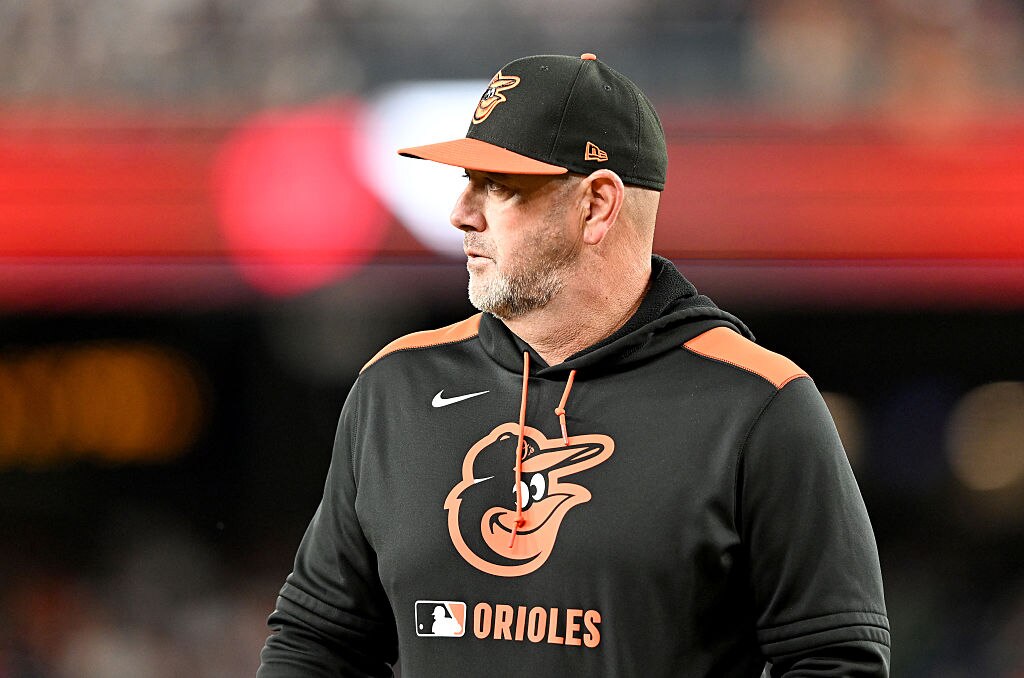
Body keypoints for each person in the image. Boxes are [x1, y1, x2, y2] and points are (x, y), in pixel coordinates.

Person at [257, 53, 890, 677]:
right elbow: (317, 642)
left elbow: (833, 662)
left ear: (595, 205)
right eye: (465, 181)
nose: (460, 214)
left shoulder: (758, 404)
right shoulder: (396, 385)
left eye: (498, 187)